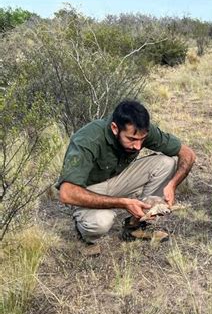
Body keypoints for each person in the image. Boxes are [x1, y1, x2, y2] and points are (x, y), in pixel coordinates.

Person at [57, 99, 195, 245]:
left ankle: (134, 226)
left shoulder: (139, 130)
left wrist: (172, 184)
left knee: (166, 163)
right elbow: (67, 193)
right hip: (88, 189)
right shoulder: (88, 139)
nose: (138, 146)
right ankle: (85, 235)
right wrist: (122, 203)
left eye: (142, 140)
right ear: (115, 128)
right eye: (131, 139)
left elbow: (188, 154)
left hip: (117, 179)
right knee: (100, 222)